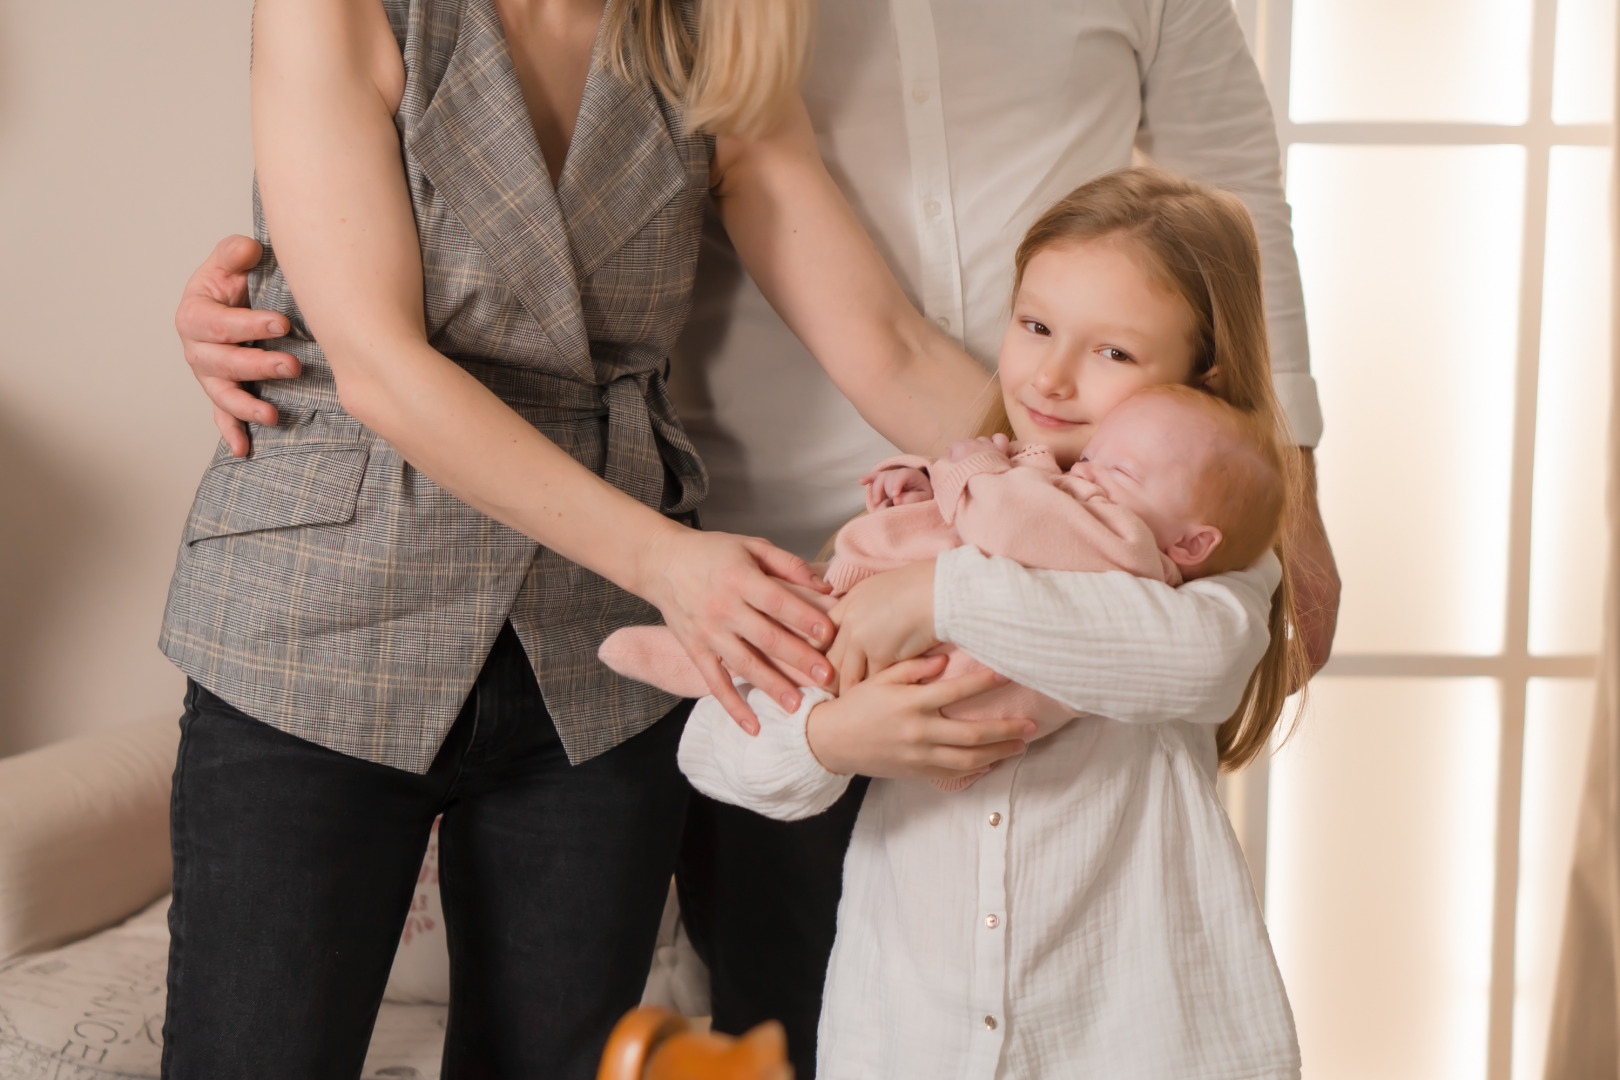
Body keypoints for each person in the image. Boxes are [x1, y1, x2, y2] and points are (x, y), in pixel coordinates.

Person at [172, 2, 1341, 1074]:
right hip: (332, 606)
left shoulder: (711, 36)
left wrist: (1132, 508)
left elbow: (881, 339)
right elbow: (377, 362)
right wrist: (670, 565)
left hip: (595, 647)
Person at [678, 170, 1306, 1080]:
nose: (1049, 376)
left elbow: (1196, 664)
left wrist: (943, 596)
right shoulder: (932, 513)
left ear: (1201, 379)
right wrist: (830, 736)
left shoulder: (1205, 564)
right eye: (1036, 326)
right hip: (909, 1038)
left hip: (1136, 1036)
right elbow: (711, 744)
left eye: (1114, 353)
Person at [602, 381, 1288, 794]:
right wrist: (926, 480)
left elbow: (1011, 516)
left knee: (811, 641)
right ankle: (725, 652)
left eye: (1121, 472)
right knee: (807, 604)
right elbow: (1009, 499)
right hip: (908, 653)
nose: (1088, 472)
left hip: (945, 682)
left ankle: (705, 662)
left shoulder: (1125, 550)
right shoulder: (1096, 511)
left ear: (1191, 544)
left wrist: (971, 469)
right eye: (1097, 454)